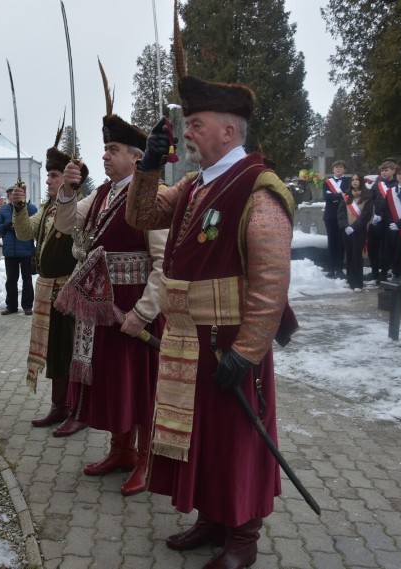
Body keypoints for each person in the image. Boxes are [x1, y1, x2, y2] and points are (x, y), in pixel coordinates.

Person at [125, 76, 295, 568]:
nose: (188, 132)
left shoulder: (259, 188)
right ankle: (212, 518)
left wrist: (249, 350)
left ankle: (242, 536)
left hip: (229, 345)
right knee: (200, 436)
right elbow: (141, 216)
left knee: (236, 441)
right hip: (187, 341)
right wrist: (149, 166)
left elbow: (270, 282)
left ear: (228, 130)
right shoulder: (197, 184)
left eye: (196, 125)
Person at [57, 80, 167, 497]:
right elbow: (66, 226)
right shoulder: (101, 193)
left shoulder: (150, 194)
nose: (104, 156)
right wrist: (68, 190)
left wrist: (145, 312)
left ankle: (144, 459)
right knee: (114, 383)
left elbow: (162, 261)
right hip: (105, 307)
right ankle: (120, 450)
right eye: (105, 150)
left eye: (113, 150)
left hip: (134, 309)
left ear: (137, 157)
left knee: (139, 386)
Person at [12, 125, 88, 436]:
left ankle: (77, 410)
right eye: (48, 176)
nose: (47, 180)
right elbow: (26, 233)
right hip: (48, 290)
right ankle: (59, 406)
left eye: (53, 176)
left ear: (70, 178)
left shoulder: (82, 205)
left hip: (70, 289)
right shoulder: (46, 207)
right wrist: (18, 208)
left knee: (73, 352)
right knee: (55, 351)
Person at [0, 187, 37, 315]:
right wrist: (6, 226)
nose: (13, 197)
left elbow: (35, 227)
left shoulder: (31, 209)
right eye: (10, 195)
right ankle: (11, 305)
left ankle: (27, 306)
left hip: (26, 250)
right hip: (10, 251)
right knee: (11, 280)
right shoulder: (5, 210)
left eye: (15, 194)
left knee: (27, 279)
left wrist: (22, 227)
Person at [337, 173, 374, 291]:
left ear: (361, 182)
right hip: (347, 230)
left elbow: (366, 215)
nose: (354, 182)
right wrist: (345, 226)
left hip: (359, 230)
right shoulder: (346, 196)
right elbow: (341, 212)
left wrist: (354, 227)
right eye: (353, 180)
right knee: (349, 254)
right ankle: (349, 279)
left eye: (357, 180)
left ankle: (358, 282)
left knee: (357, 256)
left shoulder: (367, 197)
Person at [367, 159, 398, 283]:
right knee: (372, 246)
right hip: (377, 219)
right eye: (382, 170)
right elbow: (371, 198)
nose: (383, 173)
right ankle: (374, 271)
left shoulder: (397, 184)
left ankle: (384, 272)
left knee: (387, 248)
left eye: (386, 170)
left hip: (391, 220)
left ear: (393, 171)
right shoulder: (377, 183)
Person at [323, 160, 350, 278]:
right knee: (331, 242)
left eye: (341, 167)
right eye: (336, 167)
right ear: (332, 170)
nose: (338, 169)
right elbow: (326, 196)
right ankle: (331, 268)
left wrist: (334, 196)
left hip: (343, 216)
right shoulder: (327, 182)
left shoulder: (349, 182)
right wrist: (340, 195)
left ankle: (339, 268)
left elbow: (348, 196)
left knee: (341, 243)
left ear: (344, 170)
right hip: (330, 216)